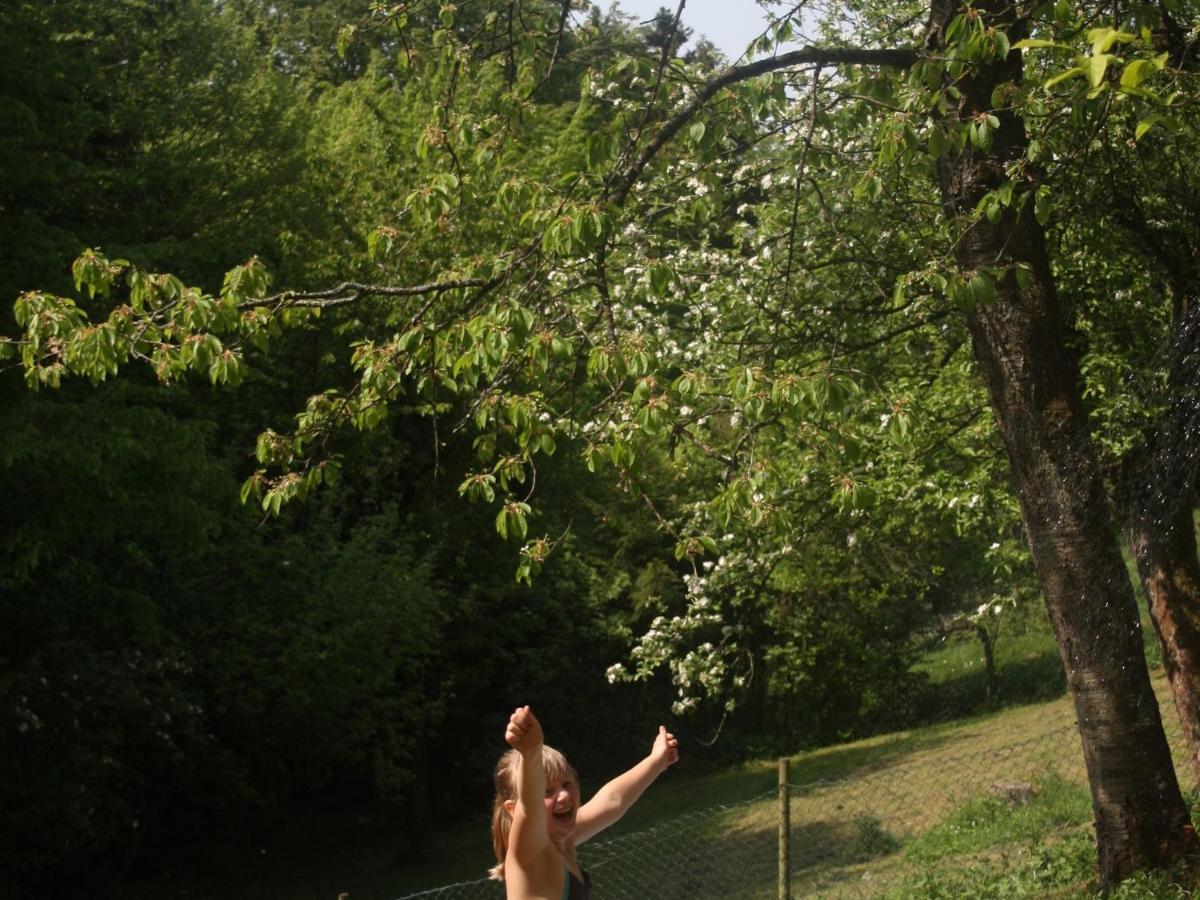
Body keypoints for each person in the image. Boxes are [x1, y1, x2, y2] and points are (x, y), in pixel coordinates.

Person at [489, 705, 679, 899]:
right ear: (513, 810)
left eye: (567, 784)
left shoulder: (563, 839)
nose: (563, 795)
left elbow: (612, 800)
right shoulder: (530, 856)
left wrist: (656, 761)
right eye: (547, 791)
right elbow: (530, 802)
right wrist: (531, 753)